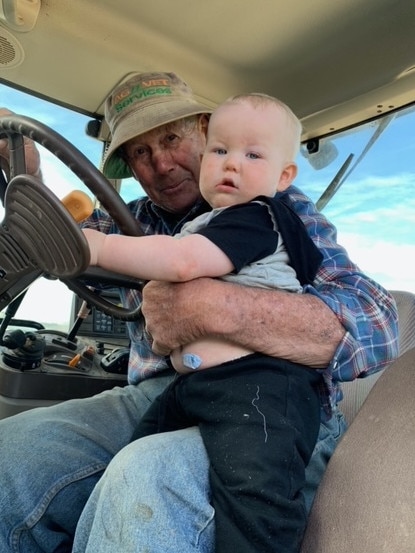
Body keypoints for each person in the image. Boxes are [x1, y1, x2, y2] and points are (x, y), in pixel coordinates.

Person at [0, 72, 398, 553]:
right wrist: (28, 170)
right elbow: (65, 243)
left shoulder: (272, 207)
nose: (162, 163)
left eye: (171, 138)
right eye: (140, 153)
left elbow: (378, 323)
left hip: (268, 395)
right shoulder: (136, 218)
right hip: (163, 390)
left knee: (146, 479)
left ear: (204, 132)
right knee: (11, 455)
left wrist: (222, 308)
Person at [83, 92, 324, 553]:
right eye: (222, 151)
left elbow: (180, 260)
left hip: (260, 386)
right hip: (196, 385)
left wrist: (95, 247)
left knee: (255, 506)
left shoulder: (260, 215)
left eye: (252, 155)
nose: (232, 165)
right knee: (132, 449)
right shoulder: (161, 217)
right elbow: (55, 230)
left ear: (283, 176)